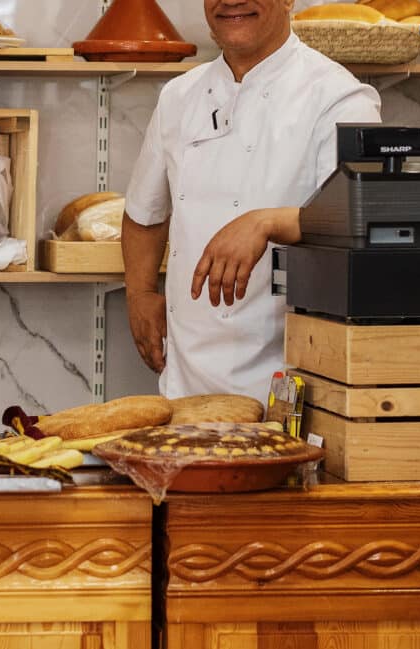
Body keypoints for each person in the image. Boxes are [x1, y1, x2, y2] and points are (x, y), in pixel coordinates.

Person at [122, 0, 382, 402]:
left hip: (288, 384)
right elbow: (144, 214)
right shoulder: (179, 96)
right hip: (184, 386)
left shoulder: (339, 97)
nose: (231, 1)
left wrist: (267, 222)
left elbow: (359, 220)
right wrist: (139, 294)